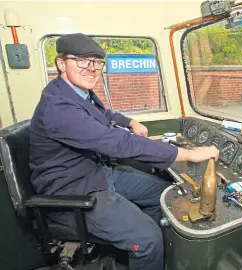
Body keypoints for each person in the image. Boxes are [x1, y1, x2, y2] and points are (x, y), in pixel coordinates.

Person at [29, 33, 219, 270]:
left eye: (96, 62)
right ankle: (145, 246)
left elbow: (103, 115)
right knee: (148, 239)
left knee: (163, 194)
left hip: (96, 172)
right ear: (61, 63)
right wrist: (189, 154)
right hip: (73, 190)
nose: (91, 68)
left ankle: (136, 252)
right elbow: (120, 144)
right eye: (82, 60)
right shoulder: (58, 106)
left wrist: (130, 122)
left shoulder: (76, 93)